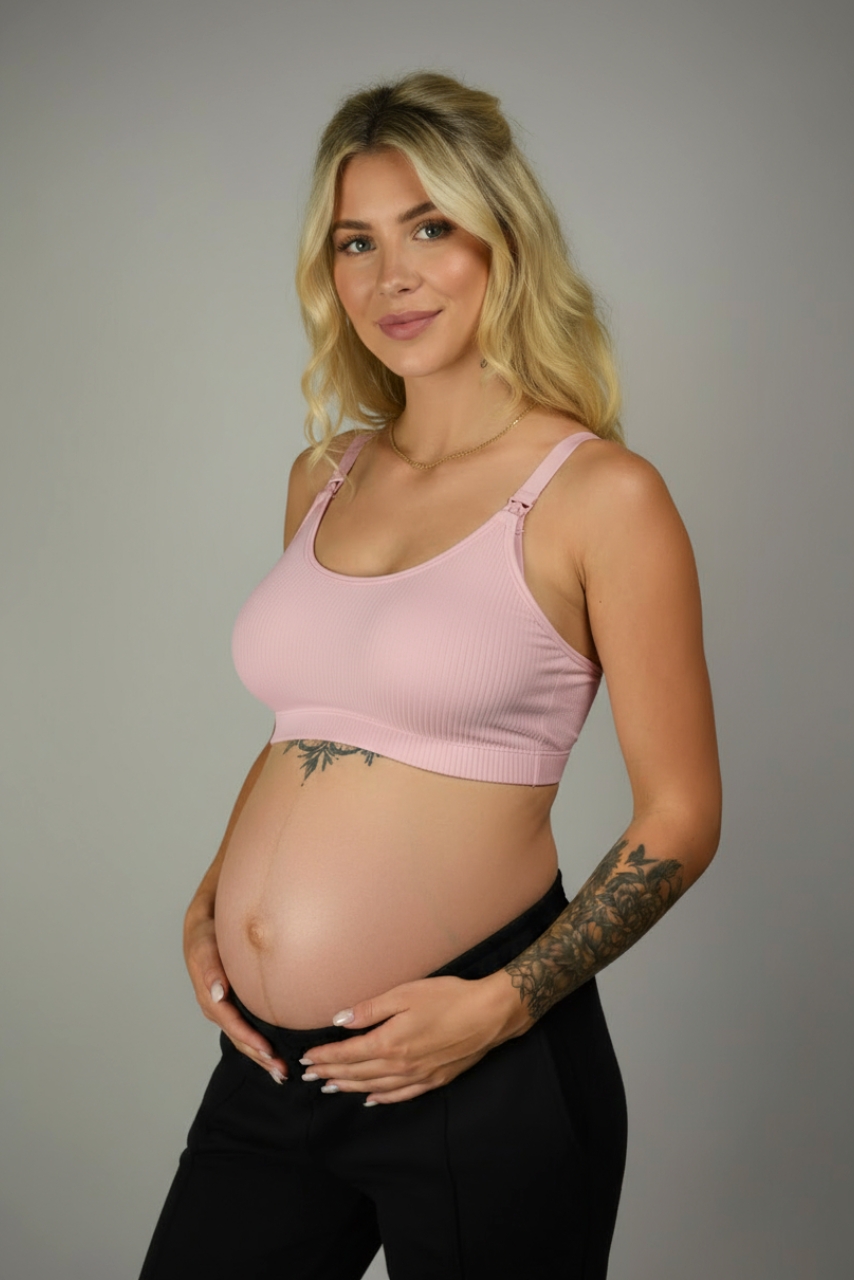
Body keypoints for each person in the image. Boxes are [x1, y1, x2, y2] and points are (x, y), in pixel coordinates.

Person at [139, 72, 721, 1280]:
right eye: (355, 241)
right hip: (274, 1065)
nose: (389, 276)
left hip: (480, 1063)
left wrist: (500, 1004)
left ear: (502, 239)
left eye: (428, 228)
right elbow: (308, 724)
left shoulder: (597, 495)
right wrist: (215, 900)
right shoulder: (325, 477)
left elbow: (679, 815)